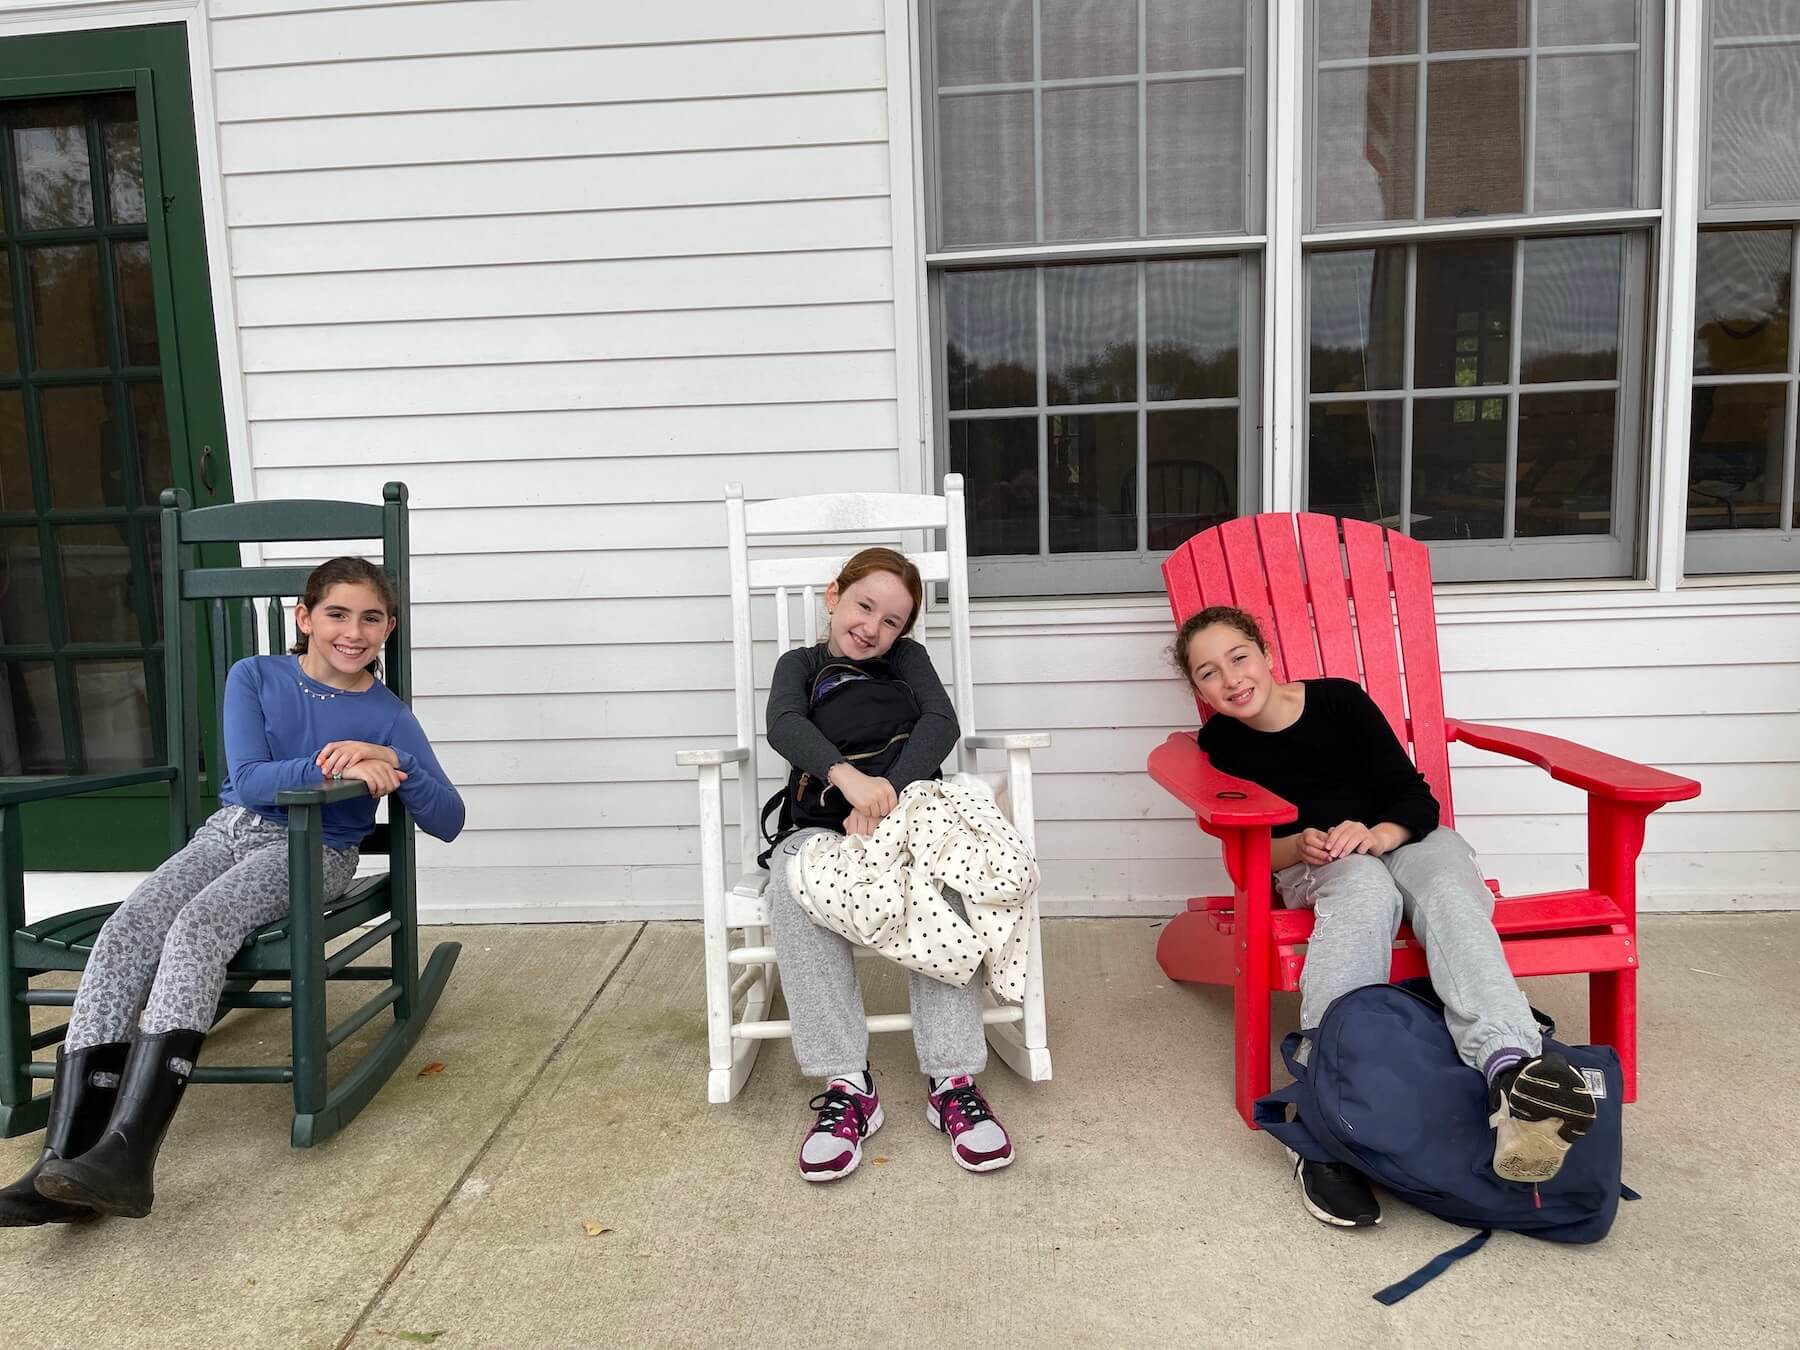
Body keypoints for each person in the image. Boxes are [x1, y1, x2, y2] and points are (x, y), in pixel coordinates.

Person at [0, 557, 464, 1226]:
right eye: (336, 614)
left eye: (370, 618)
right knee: (127, 930)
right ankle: (60, 1161)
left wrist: (397, 761)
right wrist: (339, 760)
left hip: (312, 850)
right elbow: (247, 781)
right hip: (225, 834)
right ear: (304, 618)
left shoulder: (388, 715)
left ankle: (128, 1157)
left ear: (388, 627)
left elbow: (448, 819)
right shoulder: (254, 676)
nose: (353, 631)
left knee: (197, 928)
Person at [1173, 604, 1595, 1228]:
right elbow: (1254, 848)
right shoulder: (1223, 744)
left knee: (1450, 887)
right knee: (1366, 893)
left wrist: (1381, 831)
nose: (1231, 678)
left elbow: (1412, 795)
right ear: (1198, 691)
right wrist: (1305, 845)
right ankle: (1327, 1104)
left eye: (1238, 657)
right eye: (1208, 673)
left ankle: (1512, 1073)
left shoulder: (1340, 702)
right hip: (1322, 863)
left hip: (1404, 835)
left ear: (1264, 652)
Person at [764, 547, 1013, 1182]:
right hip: (822, 821)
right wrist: (848, 781)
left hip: (910, 814)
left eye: (892, 620)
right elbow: (785, 724)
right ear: (833, 596)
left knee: (946, 879)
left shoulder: (907, 663)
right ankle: (848, 1083)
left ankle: (951, 1078)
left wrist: (889, 795)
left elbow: (941, 724)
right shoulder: (800, 665)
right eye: (863, 606)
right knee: (791, 888)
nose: (873, 626)